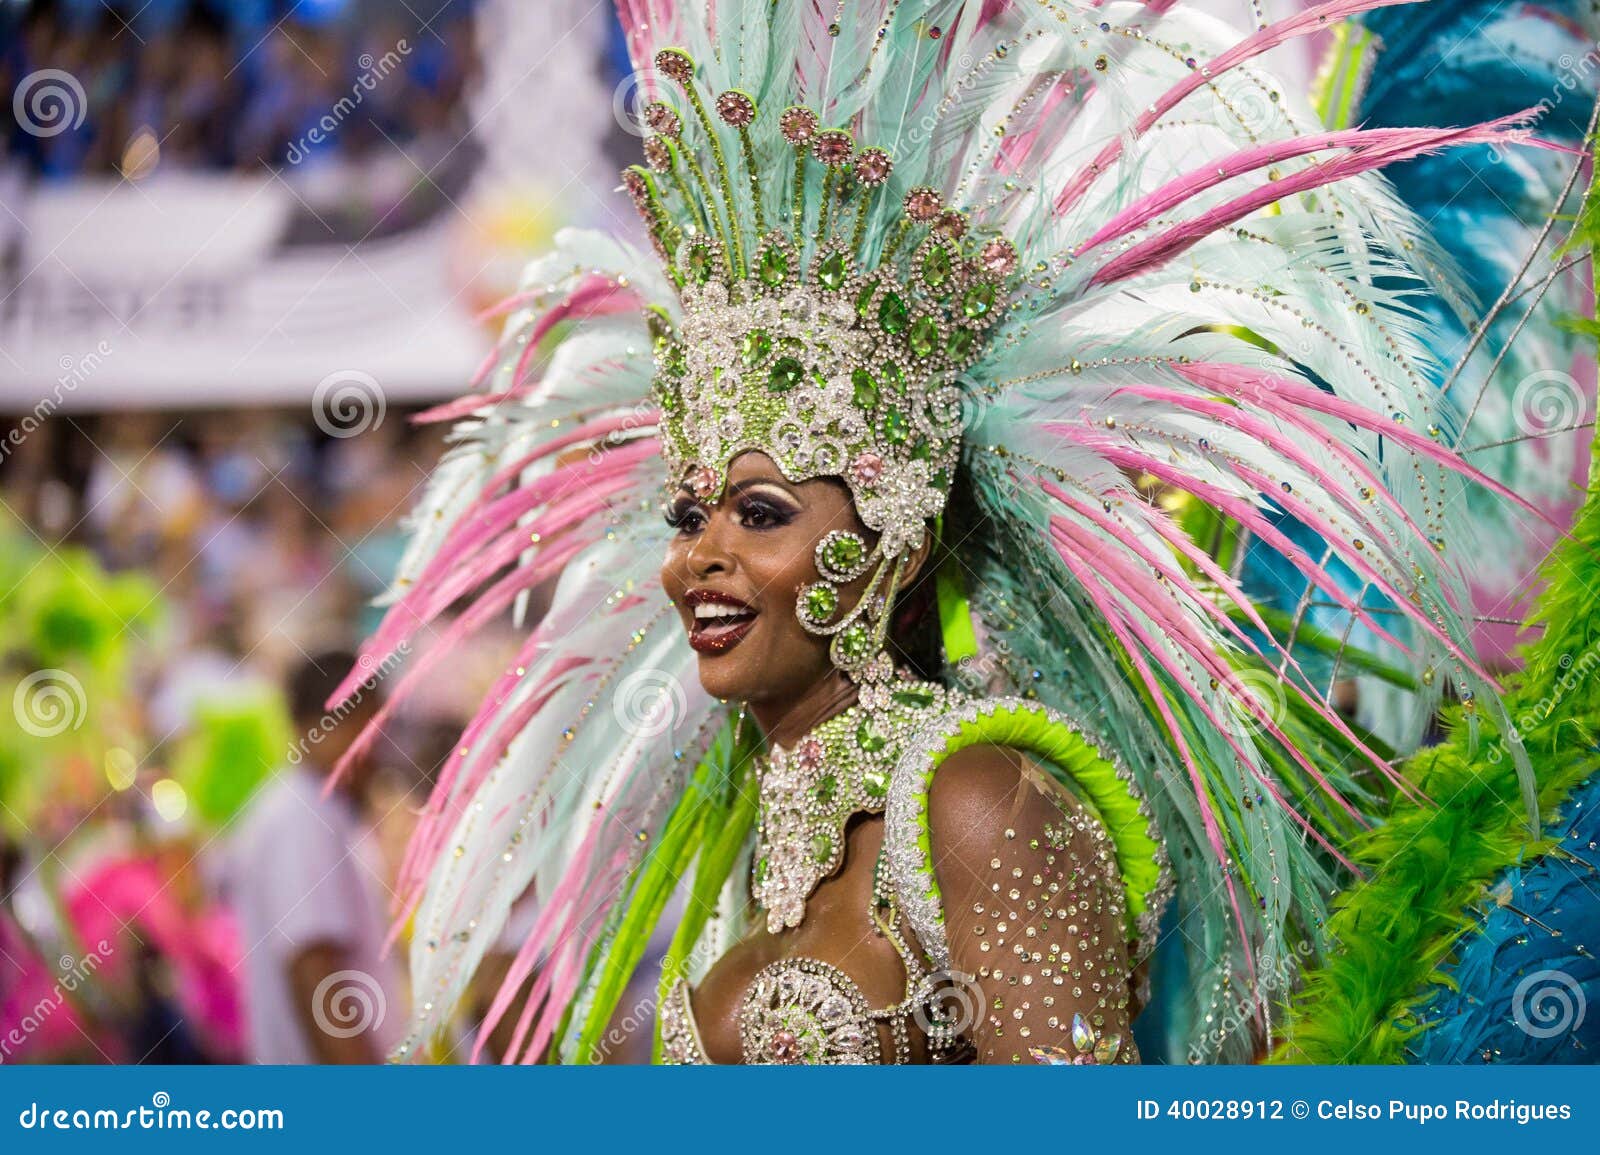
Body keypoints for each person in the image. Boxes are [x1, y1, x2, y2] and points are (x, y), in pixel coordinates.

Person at [337, 0, 1567, 1064]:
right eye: (689, 514)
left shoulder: (978, 800)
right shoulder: (770, 829)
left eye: (760, 514)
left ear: (899, 543)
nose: (694, 558)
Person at [221, 650, 403, 1064]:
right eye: (363, 731)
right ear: (316, 727)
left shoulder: (307, 810)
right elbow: (315, 971)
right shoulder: (301, 819)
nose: (374, 753)